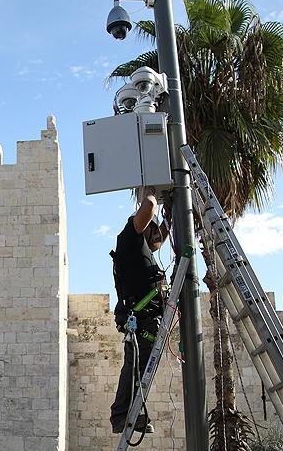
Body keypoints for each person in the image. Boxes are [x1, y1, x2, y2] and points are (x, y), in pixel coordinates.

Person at [110, 186, 170, 435]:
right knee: (135, 366)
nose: (158, 240)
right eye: (154, 232)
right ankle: (121, 415)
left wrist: (171, 215)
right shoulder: (130, 238)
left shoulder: (141, 247)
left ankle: (126, 413)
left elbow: (158, 238)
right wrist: (153, 191)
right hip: (141, 320)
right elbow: (147, 208)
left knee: (138, 367)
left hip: (145, 320)